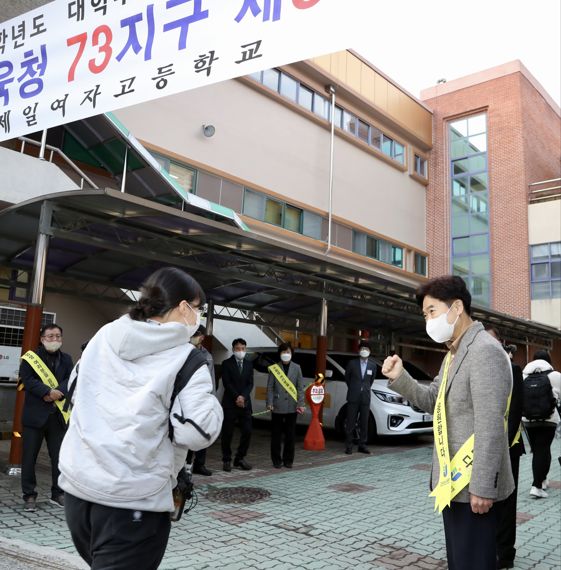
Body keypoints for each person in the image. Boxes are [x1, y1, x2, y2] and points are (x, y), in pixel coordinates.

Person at [58, 267, 223, 570]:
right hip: (134, 502)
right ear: (184, 307)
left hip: (78, 490)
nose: (198, 317)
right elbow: (197, 432)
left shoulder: (105, 335)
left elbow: (74, 389)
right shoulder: (188, 359)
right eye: (198, 308)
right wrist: (213, 405)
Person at [382, 276, 514, 570]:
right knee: (461, 561)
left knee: (474, 562)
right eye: (425, 315)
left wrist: (482, 486)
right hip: (453, 480)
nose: (428, 320)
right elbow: (431, 399)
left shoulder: (484, 351)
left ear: (456, 307)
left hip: (473, 486)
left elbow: (491, 423)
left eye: (432, 311)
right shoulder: (453, 355)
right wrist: (399, 377)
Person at [19, 324, 73, 512]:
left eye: (58, 336)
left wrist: (58, 393)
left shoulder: (67, 359)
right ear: (42, 339)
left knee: (59, 458)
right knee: (29, 458)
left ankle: (57, 493)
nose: (54, 339)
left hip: (57, 417)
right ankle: (29, 495)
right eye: (50, 336)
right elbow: (27, 379)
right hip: (34, 417)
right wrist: (47, 392)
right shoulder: (30, 358)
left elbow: (71, 379)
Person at [486, 327, 525, 570]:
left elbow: (515, 412)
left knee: (507, 502)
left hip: (508, 447)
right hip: (483, 447)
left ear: (501, 343)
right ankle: (487, 548)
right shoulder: (481, 369)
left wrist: (500, 446)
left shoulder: (513, 370)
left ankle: (505, 554)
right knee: (486, 501)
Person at [522, 349, 560, 499]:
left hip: (528, 420)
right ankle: (536, 485)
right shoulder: (555, 375)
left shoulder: (523, 375)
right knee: (543, 449)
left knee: (538, 450)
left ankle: (542, 480)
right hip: (549, 419)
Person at [266, 343, 305, 468]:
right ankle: (276, 460)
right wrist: (269, 403)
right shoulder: (274, 368)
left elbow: (300, 388)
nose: (286, 354)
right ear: (280, 354)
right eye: (283, 352)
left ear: (292, 353)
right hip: (277, 406)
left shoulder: (297, 368)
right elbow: (270, 388)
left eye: (288, 352)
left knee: (290, 435)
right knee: (276, 435)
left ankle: (288, 460)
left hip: (292, 406)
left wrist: (301, 404)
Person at [221, 338, 254, 471]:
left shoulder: (249, 364)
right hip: (230, 402)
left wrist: (243, 397)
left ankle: (240, 458)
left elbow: (250, 383)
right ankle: (226, 459)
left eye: (243, 349)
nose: (241, 351)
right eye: (238, 349)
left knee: (247, 431)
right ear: (233, 349)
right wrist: (237, 396)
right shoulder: (226, 363)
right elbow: (226, 383)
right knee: (227, 433)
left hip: (245, 404)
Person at [190, 325, 215, 476]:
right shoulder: (184, 351)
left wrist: (211, 398)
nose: (194, 337)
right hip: (186, 398)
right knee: (185, 432)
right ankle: (183, 465)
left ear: (202, 337)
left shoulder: (208, 355)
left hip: (203, 399)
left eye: (197, 334)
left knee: (202, 432)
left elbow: (211, 378)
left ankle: (200, 464)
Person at [344, 340, 377, 454]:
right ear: (358, 351)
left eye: (366, 349)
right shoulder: (352, 363)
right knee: (351, 422)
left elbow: (371, 380)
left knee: (364, 422)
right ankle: (349, 445)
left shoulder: (372, 365)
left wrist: (364, 389)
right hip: (353, 396)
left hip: (365, 397)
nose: (364, 351)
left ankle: (362, 445)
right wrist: (355, 388)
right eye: (362, 349)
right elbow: (347, 378)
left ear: (370, 351)